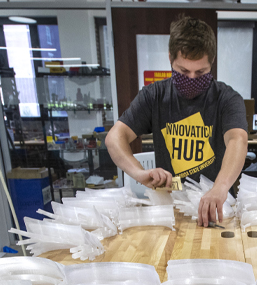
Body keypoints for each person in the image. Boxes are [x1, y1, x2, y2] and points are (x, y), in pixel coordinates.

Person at [106, 15, 248, 227]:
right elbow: (115, 137)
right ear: (170, 58)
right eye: (183, 71)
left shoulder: (227, 98)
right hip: (172, 209)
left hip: (218, 207)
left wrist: (220, 187)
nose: (191, 78)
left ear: (212, 63)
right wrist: (139, 172)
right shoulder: (154, 96)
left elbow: (238, 139)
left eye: (200, 72)